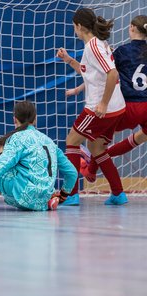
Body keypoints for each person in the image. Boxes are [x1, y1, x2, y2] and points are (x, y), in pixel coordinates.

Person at [56, 7, 128, 206]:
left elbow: (112, 74)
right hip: (116, 108)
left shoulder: (93, 47)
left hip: (101, 108)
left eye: (74, 27)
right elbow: (87, 72)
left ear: (79, 26)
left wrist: (103, 103)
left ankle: (71, 194)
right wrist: (69, 59)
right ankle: (118, 194)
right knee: (96, 148)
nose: (74, 31)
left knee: (72, 140)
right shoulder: (97, 44)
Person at [0, 100, 78, 211]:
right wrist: (63, 196)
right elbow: (72, 173)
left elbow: (3, 163)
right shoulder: (49, 141)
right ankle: (48, 200)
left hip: (22, 195)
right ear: (35, 120)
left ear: (14, 119)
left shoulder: (17, 138)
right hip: (43, 200)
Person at [77, 15, 147, 182]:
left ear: (131, 27)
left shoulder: (122, 51)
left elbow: (103, 73)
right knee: (140, 137)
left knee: (96, 142)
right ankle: (95, 167)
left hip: (129, 105)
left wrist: (79, 88)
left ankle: (92, 170)